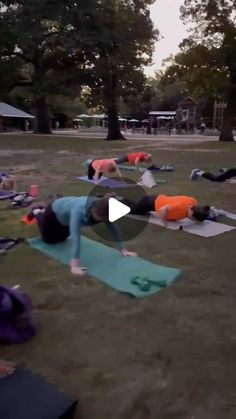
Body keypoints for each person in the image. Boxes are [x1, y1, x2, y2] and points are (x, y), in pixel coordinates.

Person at [28, 195, 137, 276]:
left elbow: (113, 229)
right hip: (54, 212)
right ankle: (37, 211)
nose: (102, 221)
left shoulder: (105, 210)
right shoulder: (78, 213)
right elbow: (76, 239)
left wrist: (123, 250)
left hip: (65, 216)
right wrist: (74, 266)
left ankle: (42, 210)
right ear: (94, 211)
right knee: (49, 240)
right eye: (101, 219)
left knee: (62, 238)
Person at [130, 194, 210, 225]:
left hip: (156, 199)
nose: (191, 220)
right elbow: (162, 210)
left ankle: (126, 201)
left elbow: (201, 210)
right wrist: (164, 223)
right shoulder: (179, 206)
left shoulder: (194, 202)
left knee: (137, 208)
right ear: (191, 213)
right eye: (192, 219)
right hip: (149, 203)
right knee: (133, 211)